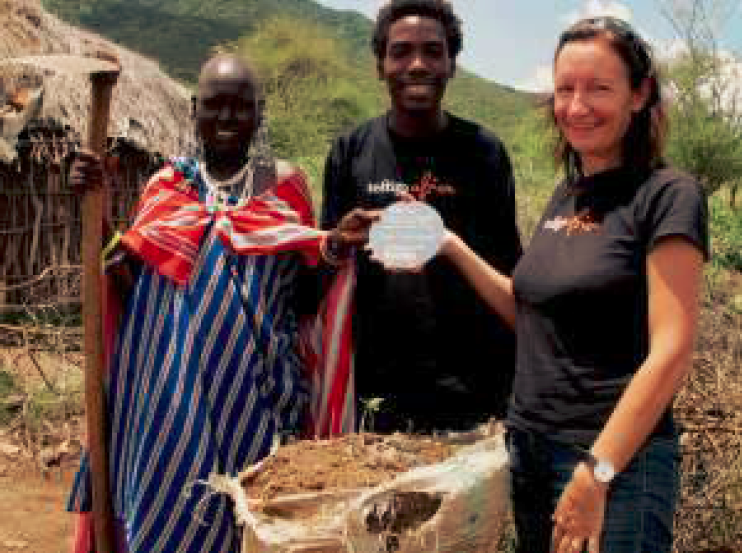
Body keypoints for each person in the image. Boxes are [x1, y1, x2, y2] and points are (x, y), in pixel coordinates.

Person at [67, 54, 375, 553]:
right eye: (215, 105)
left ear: (260, 112)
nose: (228, 118)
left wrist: (334, 246)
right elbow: (130, 284)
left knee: (245, 524)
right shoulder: (166, 186)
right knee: (165, 516)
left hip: (254, 400)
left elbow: (302, 297)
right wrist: (97, 212)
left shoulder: (285, 186)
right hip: (163, 398)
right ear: (194, 109)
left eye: (241, 106)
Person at [436, 16, 709, 553]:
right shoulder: (568, 197)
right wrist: (448, 244)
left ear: (640, 94)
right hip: (530, 450)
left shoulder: (667, 195)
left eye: (599, 88)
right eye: (565, 89)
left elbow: (672, 353)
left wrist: (597, 472)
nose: (577, 106)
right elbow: (527, 313)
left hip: (613, 465)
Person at [320, 0, 522, 433]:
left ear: (452, 64)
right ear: (380, 65)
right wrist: (336, 242)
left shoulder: (484, 153)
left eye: (433, 51)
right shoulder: (350, 151)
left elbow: (510, 275)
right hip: (374, 405)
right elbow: (318, 274)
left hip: (472, 407)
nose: (417, 64)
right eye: (401, 51)